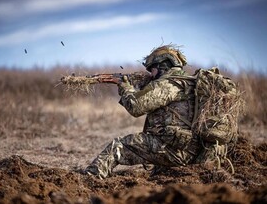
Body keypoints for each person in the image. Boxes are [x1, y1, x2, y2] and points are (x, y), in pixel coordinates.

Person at [84, 45, 225, 179]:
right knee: (157, 173)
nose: (151, 74)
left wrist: (124, 87)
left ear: (163, 66)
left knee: (119, 146)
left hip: (175, 151)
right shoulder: (187, 82)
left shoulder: (168, 84)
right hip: (193, 151)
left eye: (152, 69)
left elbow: (136, 107)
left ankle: (91, 177)